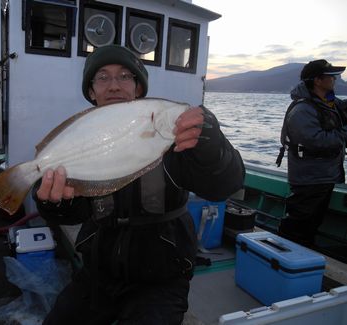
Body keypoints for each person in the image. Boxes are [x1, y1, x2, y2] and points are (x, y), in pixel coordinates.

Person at [33, 45, 244, 324]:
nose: (114, 86)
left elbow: (223, 186)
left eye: (125, 76)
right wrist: (54, 202)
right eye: (103, 77)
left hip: (161, 279)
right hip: (98, 273)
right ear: (92, 92)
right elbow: (74, 214)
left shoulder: (169, 135)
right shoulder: (81, 140)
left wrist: (212, 147)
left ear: (139, 88)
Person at [277, 59, 347, 247]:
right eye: (331, 76)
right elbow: (317, 141)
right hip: (310, 178)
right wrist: (344, 132)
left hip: (324, 176)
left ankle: (303, 257)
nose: (336, 79)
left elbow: (343, 108)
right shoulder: (302, 110)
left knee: (311, 224)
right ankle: (288, 259)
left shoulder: (328, 101)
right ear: (317, 80)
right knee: (299, 227)